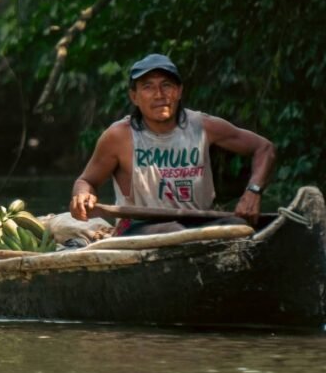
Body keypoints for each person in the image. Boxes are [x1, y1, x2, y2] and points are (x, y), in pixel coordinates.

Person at [70, 53, 276, 236]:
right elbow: (87, 180)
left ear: (178, 91)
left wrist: (253, 191)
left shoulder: (203, 126)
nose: (159, 95)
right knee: (173, 232)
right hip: (138, 227)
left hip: (198, 224)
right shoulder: (119, 136)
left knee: (237, 225)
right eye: (148, 87)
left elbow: (264, 148)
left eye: (166, 85)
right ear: (134, 96)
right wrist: (82, 195)